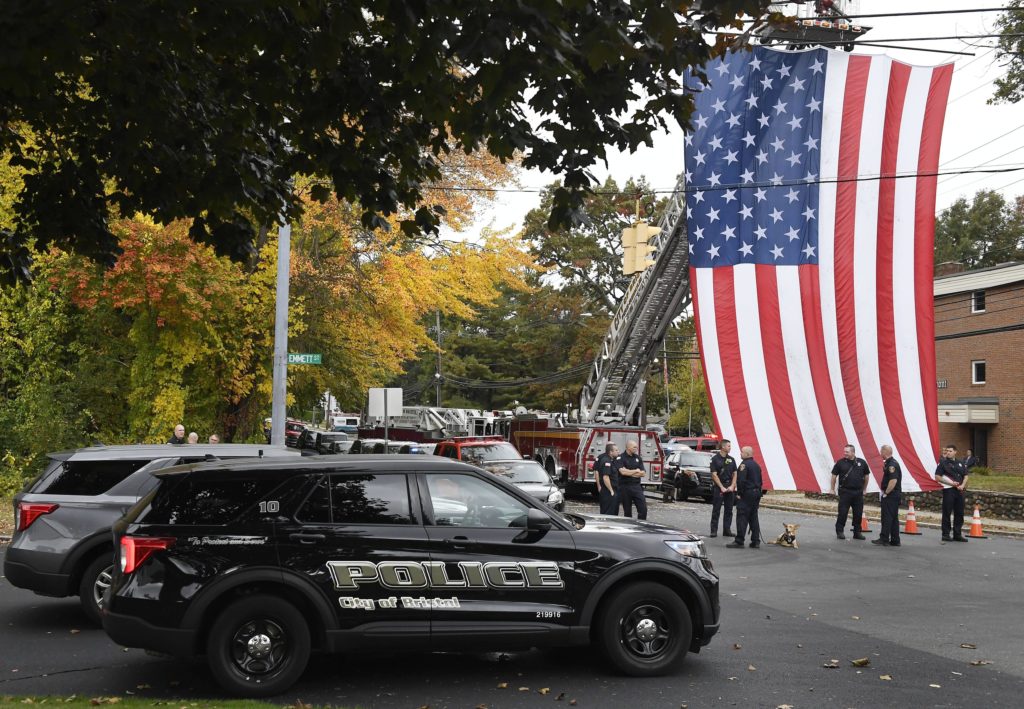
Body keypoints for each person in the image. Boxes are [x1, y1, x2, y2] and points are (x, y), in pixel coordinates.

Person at [829, 444, 870, 540]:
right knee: (842, 513)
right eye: (844, 451)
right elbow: (834, 476)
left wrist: (864, 489)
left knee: (858, 513)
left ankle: (857, 532)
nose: (845, 453)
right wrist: (832, 488)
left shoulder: (862, 462)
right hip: (845, 492)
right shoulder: (840, 463)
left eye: (847, 452)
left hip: (858, 492)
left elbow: (866, 476)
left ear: (853, 452)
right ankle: (840, 531)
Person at [726, 446, 762, 548]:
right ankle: (756, 541)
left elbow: (741, 481)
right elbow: (760, 481)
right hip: (756, 494)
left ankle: (739, 540)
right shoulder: (756, 465)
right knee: (753, 517)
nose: (740, 454)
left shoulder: (744, 465)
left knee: (742, 516)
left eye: (742, 452)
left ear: (747, 454)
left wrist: (739, 494)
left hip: (747, 494)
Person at [935, 444, 970, 542]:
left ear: (955, 452)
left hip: (960, 491)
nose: (948, 453)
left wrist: (963, 485)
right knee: (947, 512)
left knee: (959, 513)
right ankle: (945, 534)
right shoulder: (943, 463)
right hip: (949, 490)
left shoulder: (960, 463)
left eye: (950, 451)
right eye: (947, 451)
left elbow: (966, 475)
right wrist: (951, 483)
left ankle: (957, 534)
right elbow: (937, 477)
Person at [872, 445, 902, 547]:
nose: (880, 454)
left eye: (881, 451)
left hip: (891, 495)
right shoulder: (891, 463)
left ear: (885, 451)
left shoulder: (891, 465)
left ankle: (884, 538)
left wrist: (886, 493)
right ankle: (895, 539)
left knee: (887, 517)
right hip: (894, 495)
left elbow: (893, 480)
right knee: (893, 518)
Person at [709, 439, 737, 538]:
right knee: (716, 509)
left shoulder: (732, 459)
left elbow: (735, 473)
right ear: (723, 447)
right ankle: (713, 530)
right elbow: (714, 474)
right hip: (719, 487)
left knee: (729, 510)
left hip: (729, 487)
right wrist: (721, 487)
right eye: (729, 446)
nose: (730, 448)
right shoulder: (715, 459)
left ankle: (727, 530)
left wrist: (732, 485)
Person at [613, 440, 648, 520]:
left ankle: (641, 525)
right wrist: (636, 471)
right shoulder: (620, 458)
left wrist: (629, 472)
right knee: (627, 511)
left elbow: (643, 473)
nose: (636, 448)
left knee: (643, 508)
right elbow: (622, 472)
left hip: (636, 486)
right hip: (625, 487)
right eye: (634, 447)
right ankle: (629, 527)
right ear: (628, 447)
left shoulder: (638, 458)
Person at [594, 443, 620, 515]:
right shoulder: (606, 461)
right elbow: (605, 477)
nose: (618, 451)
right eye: (616, 450)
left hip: (612, 490)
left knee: (614, 513)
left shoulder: (612, 460)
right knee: (608, 513)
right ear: (611, 452)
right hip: (608, 491)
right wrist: (611, 490)